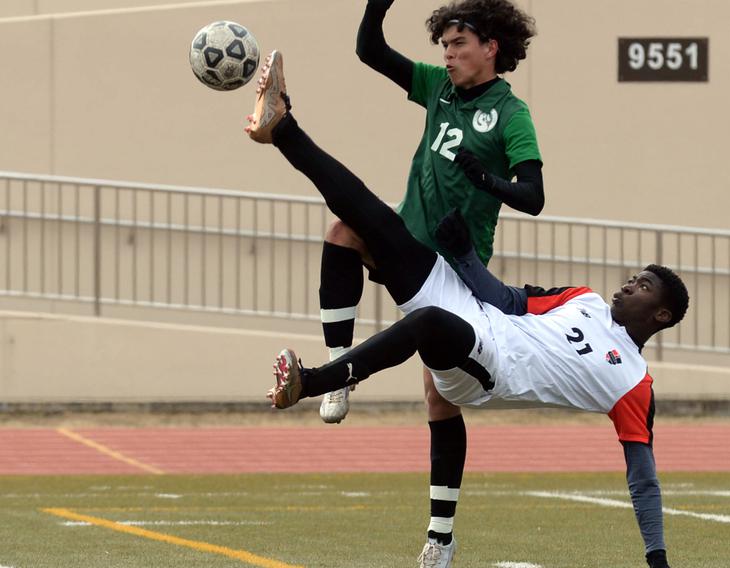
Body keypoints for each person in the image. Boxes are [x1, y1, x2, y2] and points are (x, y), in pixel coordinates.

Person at [246, 51, 686, 568]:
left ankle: (315, 381)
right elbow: (506, 300)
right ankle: (283, 126)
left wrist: (657, 560)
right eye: (636, 276)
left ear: (661, 315)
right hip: (478, 310)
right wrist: (463, 255)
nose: (632, 282)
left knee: (429, 326)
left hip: (489, 370)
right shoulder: (584, 300)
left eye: (646, 285)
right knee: (365, 220)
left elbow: (644, 476)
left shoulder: (634, 381)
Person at [315, 0, 544, 426]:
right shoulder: (438, 85)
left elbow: (534, 197)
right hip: (406, 237)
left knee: (439, 398)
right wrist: (377, 6)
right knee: (343, 232)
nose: (448, 54)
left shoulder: (512, 115)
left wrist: (488, 181)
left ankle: (444, 496)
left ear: (491, 47)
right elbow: (370, 50)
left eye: (459, 43)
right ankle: (337, 372)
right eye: (444, 45)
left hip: (454, 268)